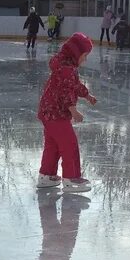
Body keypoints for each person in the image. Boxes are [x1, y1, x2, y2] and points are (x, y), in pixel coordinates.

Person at [36, 32, 97, 193]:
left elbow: (74, 85)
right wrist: (74, 111)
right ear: (76, 53)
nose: (85, 59)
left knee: (53, 145)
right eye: (84, 55)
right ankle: (71, 178)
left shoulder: (64, 66)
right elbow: (65, 92)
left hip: (47, 112)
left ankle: (46, 176)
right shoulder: (66, 70)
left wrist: (86, 95)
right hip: (57, 114)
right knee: (69, 144)